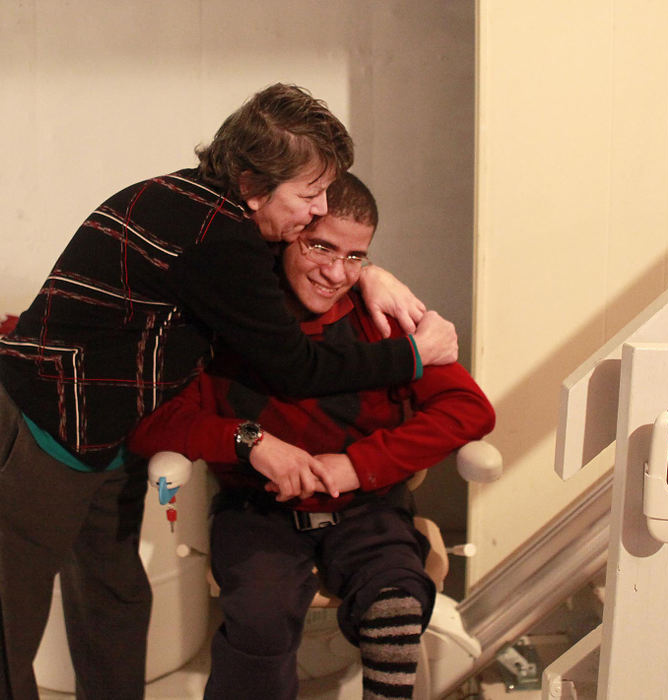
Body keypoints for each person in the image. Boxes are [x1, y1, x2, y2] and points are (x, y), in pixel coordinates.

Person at [0, 84, 459, 700]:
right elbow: (295, 367)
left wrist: (375, 273)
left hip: (115, 426)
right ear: (254, 183)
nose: (317, 209)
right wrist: (412, 354)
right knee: (8, 612)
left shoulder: (212, 202)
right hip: (46, 416)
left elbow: (326, 255)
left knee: (114, 594)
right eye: (309, 195)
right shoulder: (218, 238)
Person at [130, 172, 495, 700]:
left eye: (355, 257)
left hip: (368, 506)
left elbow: (468, 408)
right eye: (320, 246)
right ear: (286, 237)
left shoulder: (381, 319)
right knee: (259, 615)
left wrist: (360, 464)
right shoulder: (228, 323)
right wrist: (247, 441)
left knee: (394, 600)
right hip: (257, 511)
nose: (335, 272)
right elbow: (157, 422)